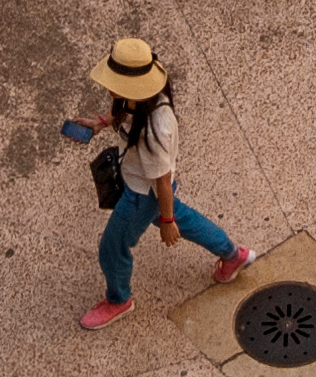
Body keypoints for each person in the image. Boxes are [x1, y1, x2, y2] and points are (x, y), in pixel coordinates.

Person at [76, 36, 254, 327]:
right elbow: (124, 108)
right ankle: (233, 256)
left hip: (140, 195)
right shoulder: (148, 96)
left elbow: (162, 180)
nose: (108, 87)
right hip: (148, 190)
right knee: (186, 221)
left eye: (114, 82)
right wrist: (101, 122)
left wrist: (167, 220)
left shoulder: (154, 132)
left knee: (112, 249)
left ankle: (118, 300)